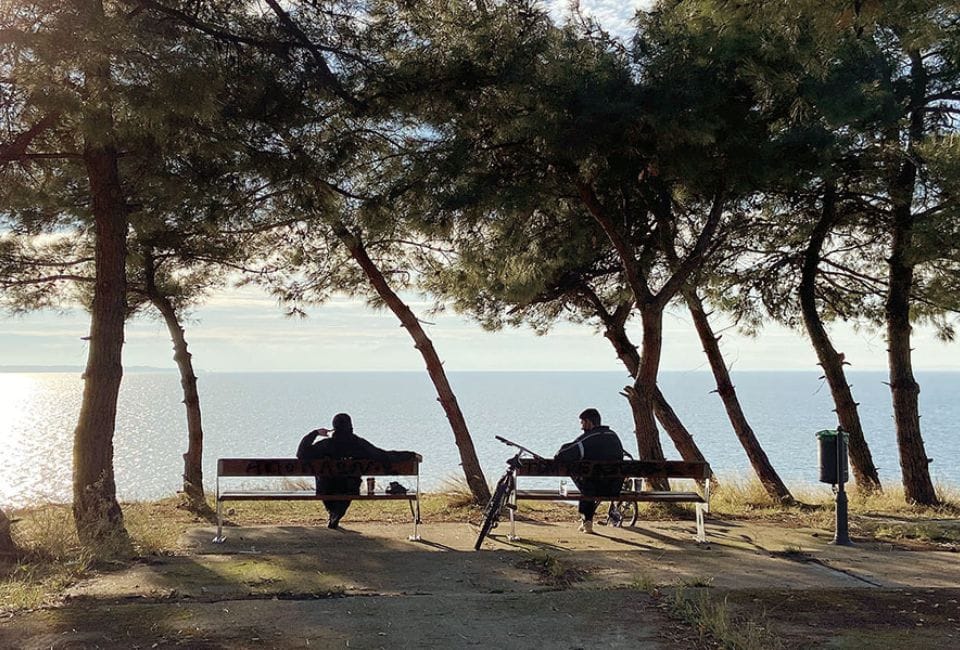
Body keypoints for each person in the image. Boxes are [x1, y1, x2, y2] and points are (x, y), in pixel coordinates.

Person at [296, 413, 419, 529]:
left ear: (334, 427)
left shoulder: (326, 445)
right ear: (351, 426)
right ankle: (336, 513)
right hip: (350, 488)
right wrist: (410, 455)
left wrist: (315, 433)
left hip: (326, 488)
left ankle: (333, 512)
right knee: (350, 481)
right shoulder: (359, 444)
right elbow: (383, 455)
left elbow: (301, 454)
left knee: (323, 477)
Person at [554, 408, 624, 533]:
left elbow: (562, 455)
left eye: (582, 423)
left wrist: (563, 448)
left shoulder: (588, 439)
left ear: (588, 422)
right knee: (589, 476)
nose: (581, 427)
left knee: (583, 476)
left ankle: (587, 520)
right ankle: (586, 520)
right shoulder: (614, 436)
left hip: (592, 488)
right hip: (614, 488)